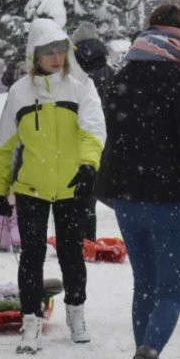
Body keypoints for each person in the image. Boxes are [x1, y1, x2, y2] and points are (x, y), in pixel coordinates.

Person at [96, 3, 180, 359]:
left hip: (126, 195)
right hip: (167, 197)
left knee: (144, 284)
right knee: (170, 291)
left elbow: (116, 130)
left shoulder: (124, 71)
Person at [0, 19, 105, 352]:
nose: (56, 58)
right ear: (34, 55)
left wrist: (88, 166)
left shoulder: (80, 87)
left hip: (71, 186)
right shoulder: (19, 92)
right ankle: (31, 321)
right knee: (32, 257)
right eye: (48, 52)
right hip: (31, 188)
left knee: (71, 254)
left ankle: (76, 314)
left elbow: (93, 130)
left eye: (60, 51)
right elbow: (6, 145)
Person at [70, 20, 114, 243]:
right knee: (91, 188)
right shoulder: (109, 69)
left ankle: (78, 239)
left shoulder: (77, 69)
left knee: (78, 189)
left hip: (81, 133)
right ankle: (88, 237)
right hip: (105, 135)